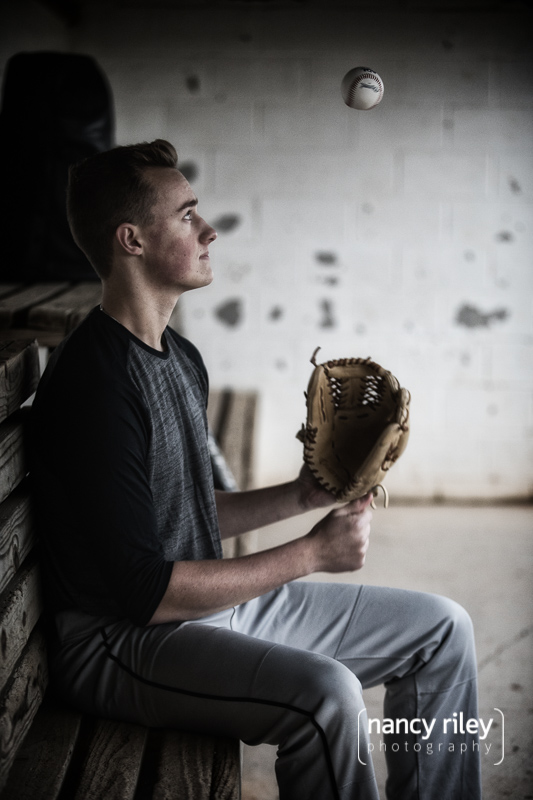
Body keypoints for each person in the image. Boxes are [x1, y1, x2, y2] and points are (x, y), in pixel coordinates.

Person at [30, 139, 482, 800]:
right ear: (131, 240)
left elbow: (180, 510)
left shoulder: (179, 357)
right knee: (328, 697)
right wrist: (310, 554)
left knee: (443, 629)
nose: (208, 230)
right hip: (120, 643)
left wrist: (304, 494)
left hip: (205, 611)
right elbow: (144, 591)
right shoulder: (96, 382)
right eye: (186, 215)